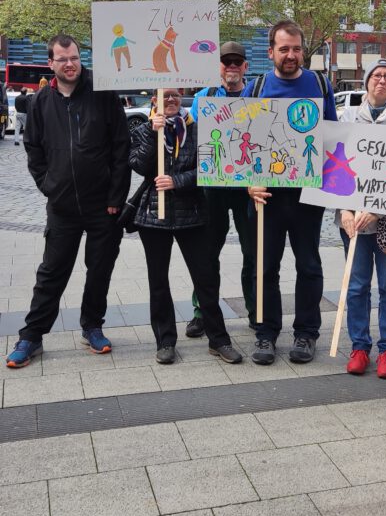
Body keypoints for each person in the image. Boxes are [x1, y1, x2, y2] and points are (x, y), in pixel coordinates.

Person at [6, 34, 130, 368]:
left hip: (103, 204)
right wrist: (48, 184)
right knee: (51, 272)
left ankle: (92, 326)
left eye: (74, 57)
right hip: (61, 205)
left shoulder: (103, 93)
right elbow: (33, 147)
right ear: (51, 63)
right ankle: (31, 336)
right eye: (62, 59)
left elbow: (121, 146)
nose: (70, 64)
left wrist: (116, 196)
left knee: (99, 270)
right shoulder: (41, 102)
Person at [243, 20, 338, 365]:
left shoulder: (320, 84)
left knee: (308, 264)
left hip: (306, 194)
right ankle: (266, 334)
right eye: (284, 49)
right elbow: (243, 142)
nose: (291, 55)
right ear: (271, 53)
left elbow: (332, 138)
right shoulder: (255, 89)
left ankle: (306, 333)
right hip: (265, 194)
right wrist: (248, 182)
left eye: (296, 49)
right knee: (264, 267)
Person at [129, 88, 243, 365]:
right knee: (158, 282)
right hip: (153, 216)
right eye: (165, 96)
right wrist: (154, 134)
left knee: (205, 278)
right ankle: (165, 341)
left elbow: (209, 166)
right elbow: (138, 165)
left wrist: (177, 181)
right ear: (154, 99)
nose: (171, 100)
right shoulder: (144, 130)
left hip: (192, 214)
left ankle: (219, 339)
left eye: (176, 96)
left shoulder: (195, 129)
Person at [338, 59, 386, 379]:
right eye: (375, 75)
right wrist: (342, 208)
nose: (381, 81)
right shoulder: (347, 116)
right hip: (353, 219)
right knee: (356, 286)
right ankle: (359, 345)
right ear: (366, 81)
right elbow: (336, 166)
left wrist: (380, 207)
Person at [185, 42, 255, 338]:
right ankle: (203, 310)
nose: (231, 67)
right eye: (226, 62)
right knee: (207, 252)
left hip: (248, 187)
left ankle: (257, 310)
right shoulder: (205, 97)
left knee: (254, 251)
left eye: (236, 62)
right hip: (213, 186)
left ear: (245, 67)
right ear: (219, 66)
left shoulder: (256, 94)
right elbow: (188, 135)